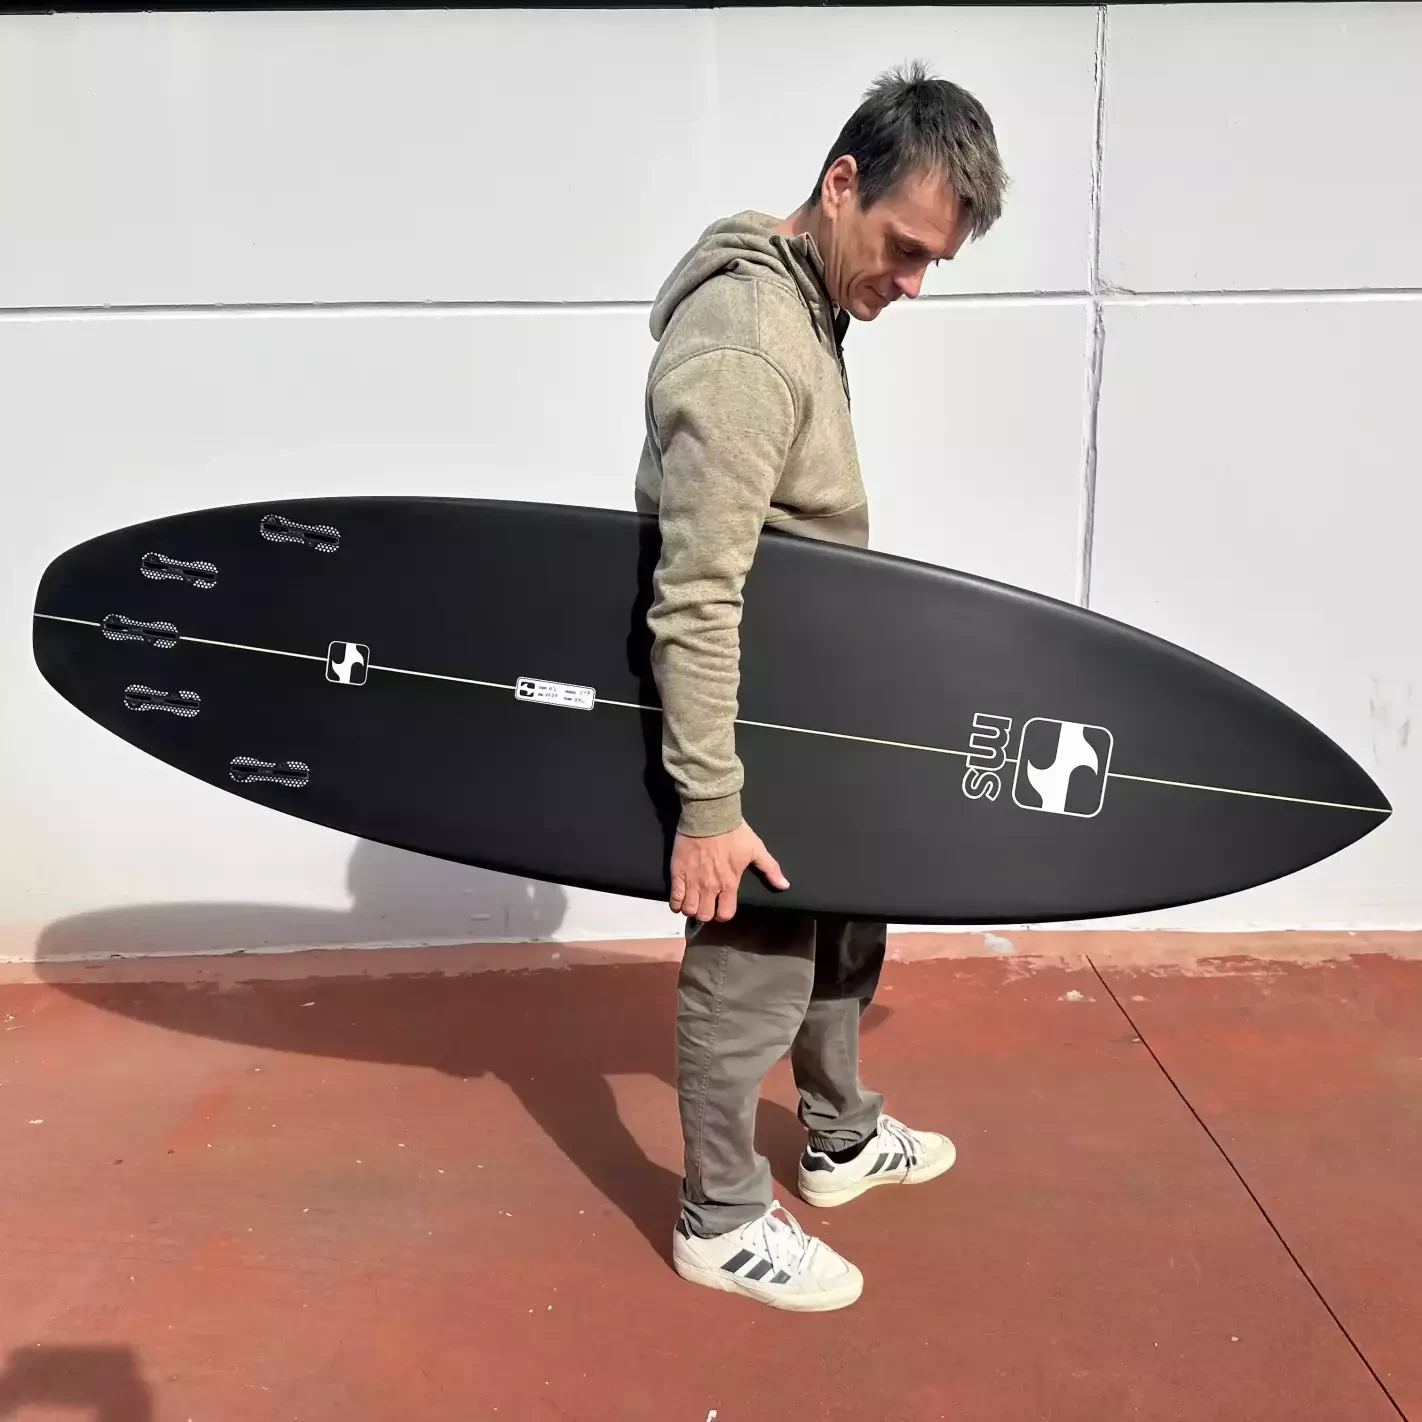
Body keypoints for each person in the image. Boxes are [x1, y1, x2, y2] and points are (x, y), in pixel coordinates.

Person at [634, 61, 1007, 1311]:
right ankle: (720, 1218)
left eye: (933, 264)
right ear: (841, 184)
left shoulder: (812, 303)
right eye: (904, 250)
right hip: (757, 710)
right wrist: (708, 805)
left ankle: (838, 1137)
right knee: (752, 958)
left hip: (821, 695)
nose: (912, 285)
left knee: (849, 920)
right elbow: (696, 592)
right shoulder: (748, 342)